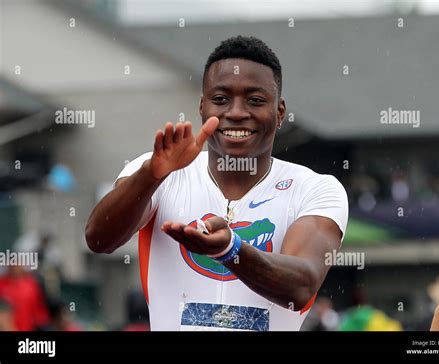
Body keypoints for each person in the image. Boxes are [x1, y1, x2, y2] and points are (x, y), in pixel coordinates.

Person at [86, 36, 348, 331]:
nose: (236, 113)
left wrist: (230, 250)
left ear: (279, 111)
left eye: (255, 100)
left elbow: (300, 287)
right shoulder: (158, 170)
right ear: (202, 106)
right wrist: (151, 175)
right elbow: (99, 240)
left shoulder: (315, 189)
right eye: (221, 99)